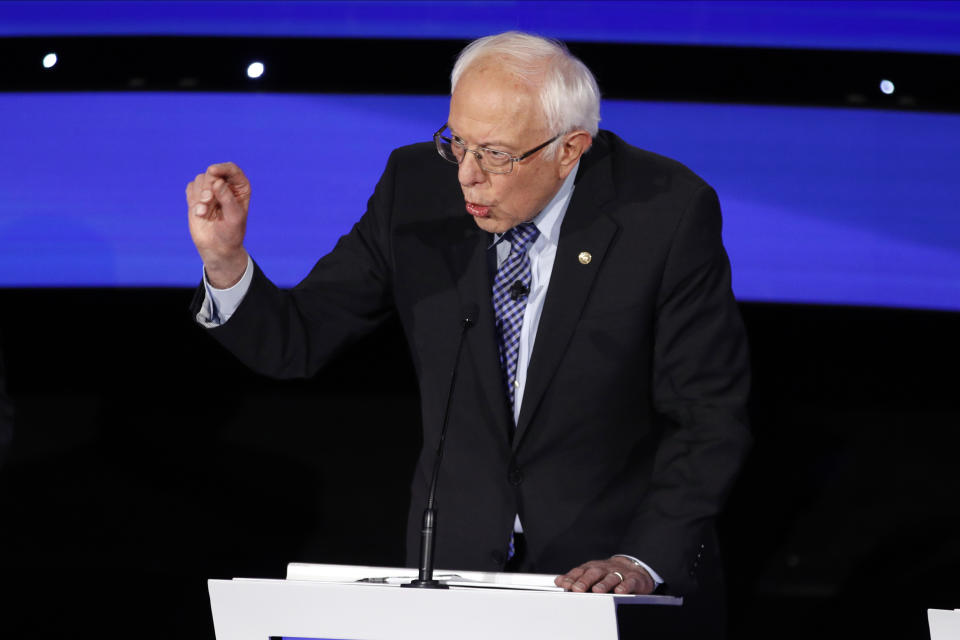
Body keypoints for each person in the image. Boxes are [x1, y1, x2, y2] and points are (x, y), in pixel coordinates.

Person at [186, 31, 750, 610]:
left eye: (496, 154)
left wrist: (641, 560)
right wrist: (225, 262)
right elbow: (296, 342)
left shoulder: (665, 213)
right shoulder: (415, 187)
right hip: (454, 575)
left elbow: (708, 415)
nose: (467, 176)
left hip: (610, 576)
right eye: (458, 143)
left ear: (570, 148)